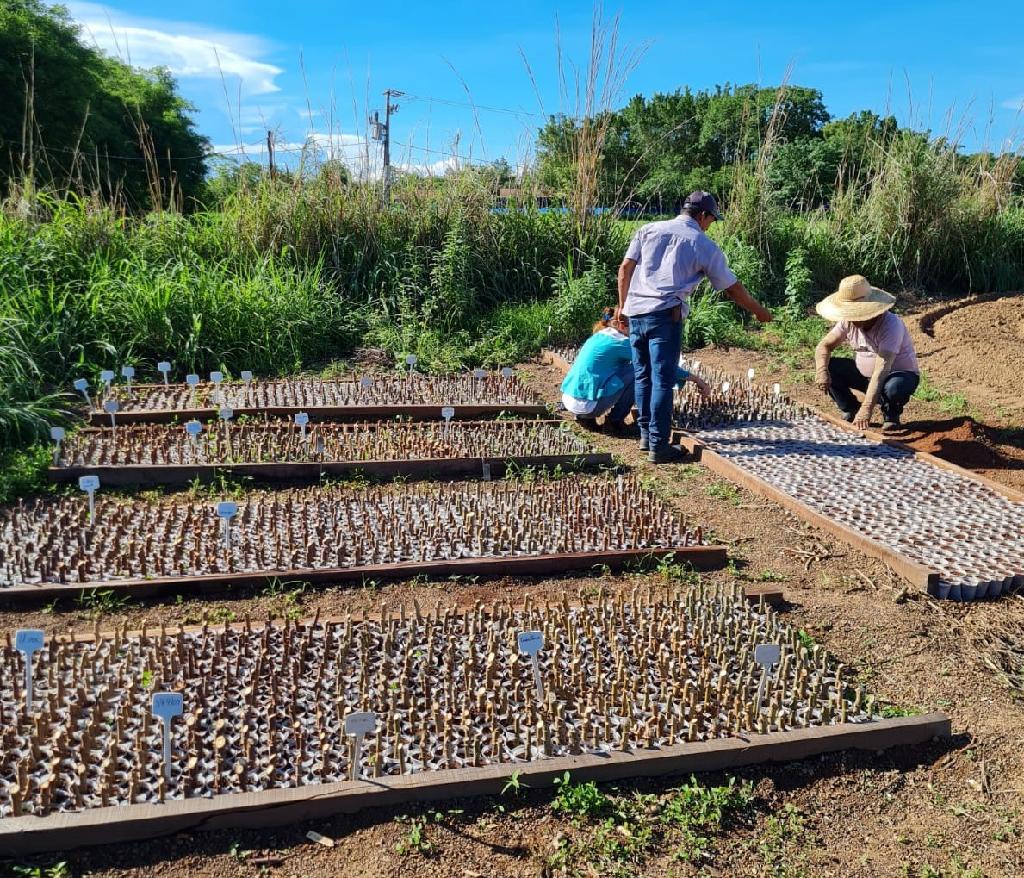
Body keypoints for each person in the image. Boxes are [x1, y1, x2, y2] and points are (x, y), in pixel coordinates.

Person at [616, 191, 773, 463]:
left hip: (636, 312)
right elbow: (732, 289)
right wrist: (759, 312)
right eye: (712, 219)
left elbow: (625, 269)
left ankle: (645, 435)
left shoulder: (648, 229)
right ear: (703, 215)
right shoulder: (703, 245)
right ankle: (658, 446)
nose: (710, 225)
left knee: (643, 376)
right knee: (663, 380)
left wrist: (622, 307)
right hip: (665, 316)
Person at [561, 308, 711, 433]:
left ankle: (585, 418)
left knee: (626, 369)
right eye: (635, 325)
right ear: (621, 325)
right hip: (586, 406)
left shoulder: (599, 336)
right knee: (638, 370)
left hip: (569, 400)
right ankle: (615, 422)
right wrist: (696, 379)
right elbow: (658, 363)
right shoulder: (620, 342)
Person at [814, 274, 920, 431]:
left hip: (895, 374)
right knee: (830, 366)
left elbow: (881, 369)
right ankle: (850, 408)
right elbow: (824, 346)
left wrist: (867, 408)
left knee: (894, 388)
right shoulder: (847, 322)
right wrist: (821, 370)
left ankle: (891, 413)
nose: (853, 319)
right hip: (866, 377)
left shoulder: (891, 325)